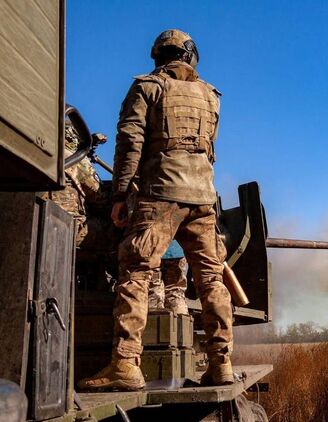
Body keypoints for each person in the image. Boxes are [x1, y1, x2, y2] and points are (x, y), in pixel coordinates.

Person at [78, 29, 233, 391]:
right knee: (211, 279)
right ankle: (221, 364)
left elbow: (130, 141)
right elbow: (209, 149)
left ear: (158, 56)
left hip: (160, 193)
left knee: (135, 271)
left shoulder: (146, 87)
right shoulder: (212, 96)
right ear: (190, 55)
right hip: (203, 198)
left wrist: (119, 196)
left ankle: (126, 365)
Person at [149, 241, 190, 315]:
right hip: (177, 250)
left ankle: (155, 324)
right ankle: (180, 324)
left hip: (152, 249)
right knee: (176, 294)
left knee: (153, 293)